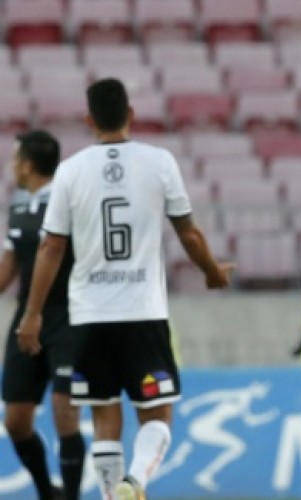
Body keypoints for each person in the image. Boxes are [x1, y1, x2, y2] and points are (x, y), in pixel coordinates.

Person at [16, 78, 232, 500]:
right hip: (143, 312)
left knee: (103, 416)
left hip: (89, 317)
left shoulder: (71, 171)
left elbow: (52, 245)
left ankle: (114, 495)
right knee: (157, 415)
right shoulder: (159, 162)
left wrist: (33, 313)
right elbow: (188, 234)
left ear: (89, 119)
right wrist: (211, 271)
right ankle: (135, 482)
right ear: (131, 114)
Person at [1, 131, 83, 500]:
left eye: (16, 158)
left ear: (28, 164)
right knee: (16, 421)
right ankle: (45, 492)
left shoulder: (69, 201)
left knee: (64, 412)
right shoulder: (17, 206)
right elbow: (7, 270)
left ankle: (71, 495)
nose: (13, 165)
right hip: (25, 317)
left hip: (68, 315)